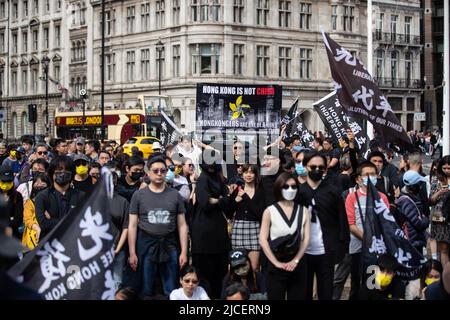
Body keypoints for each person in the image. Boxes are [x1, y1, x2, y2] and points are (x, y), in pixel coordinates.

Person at [128, 156, 188, 298]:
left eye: (163, 170)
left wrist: (184, 252)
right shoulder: (138, 195)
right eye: (156, 171)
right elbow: (132, 225)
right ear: (148, 173)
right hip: (146, 244)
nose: (159, 173)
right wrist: (132, 252)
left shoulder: (175, 195)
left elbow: (182, 225)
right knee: (146, 288)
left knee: (171, 289)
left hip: (170, 244)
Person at [297, 151, 350, 300]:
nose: (317, 170)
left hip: (327, 251)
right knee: (304, 292)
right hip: (303, 252)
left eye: (321, 167)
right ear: (306, 167)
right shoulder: (298, 192)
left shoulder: (333, 191)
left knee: (326, 292)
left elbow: (342, 220)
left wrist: (342, 246)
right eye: (313, 166)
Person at [259, 172, 310, 300]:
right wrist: (276, 263)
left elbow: (306, 239)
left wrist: (296, 260)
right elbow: (263, 239)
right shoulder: (269, 211)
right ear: (279, 188)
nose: (290, 190)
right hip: (275, 264)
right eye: (286, 187)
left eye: (293, 187)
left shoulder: (303, 210)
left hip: (298, 265)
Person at [344, 161, 390, 300]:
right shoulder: (352, 197)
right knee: (356, 282)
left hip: (376, 249)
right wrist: (367, 238)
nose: (370, 178)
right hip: (357, 248)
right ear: (358, 179)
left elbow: (386, 222)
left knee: (372, 282)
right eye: (366, 175)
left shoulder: (382, 197)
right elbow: (351, 224)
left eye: (373, 174)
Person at [191, 159, 231, 299]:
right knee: (204, 276)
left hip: (219, 235)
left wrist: (218, 200)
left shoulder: (218, 179)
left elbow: (228, 199)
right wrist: (219, 200)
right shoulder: (203, 179)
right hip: (204, 236)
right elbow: (204, 202)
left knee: (219, 275)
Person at [34, 156, 85, 238]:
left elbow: (83, 221)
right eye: (59, 170)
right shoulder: (42, 196)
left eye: (67, 170)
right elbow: (43, 223)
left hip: (74, 241)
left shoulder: (81, 196)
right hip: (50, 242)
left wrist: (52, 221)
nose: (63, 173)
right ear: (52, 173)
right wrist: (71, 220)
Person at [227, 164, 265, 271]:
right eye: (246, 172)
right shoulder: (237, 190)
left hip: (255, 229)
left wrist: (245, 197)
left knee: (254, 267)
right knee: (237, 267)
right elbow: (229, 213)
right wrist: (235, 201)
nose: (248, 175)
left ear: (256, 174)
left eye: (251, 172)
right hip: (238, 229)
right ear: (242, 174)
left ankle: (254, 288)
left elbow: (260, 213)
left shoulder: (260, 191)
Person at [396, 170, 430, 254]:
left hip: (415, 240)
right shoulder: (406, 202)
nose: (421, 186)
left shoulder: (411, 196)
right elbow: (419, 224)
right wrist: (426, 219)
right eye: (419, 184)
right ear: (414, 186)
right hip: (412, 242)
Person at [21, 173, 51, 251]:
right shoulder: (29, 203)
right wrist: (37, 228)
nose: (39, 185)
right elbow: (28, 220)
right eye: (37, 183)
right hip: (31, 242)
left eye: (42, 184)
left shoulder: (53, 201)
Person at [430, 155, 450, 265]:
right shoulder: (436, 180)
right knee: (443, 248)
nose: (446, 171)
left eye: (449, 168)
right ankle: (445, 274)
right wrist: (439, 193)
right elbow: (431, 200)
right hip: (439, 215)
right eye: (444, 168)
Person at [0, 166, 23, 239]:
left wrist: (7, 226)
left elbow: (18, 219)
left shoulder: (17, 196)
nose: (6, 184)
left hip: (11, 234)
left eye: (9, 181)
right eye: (3, 181)